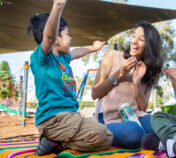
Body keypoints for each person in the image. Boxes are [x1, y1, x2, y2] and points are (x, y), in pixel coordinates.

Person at [27, 0, 113, 156]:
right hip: (53, 119)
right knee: (99, 132)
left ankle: (57, 144)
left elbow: (77, 53)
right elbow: (49, 36)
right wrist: (57, 6)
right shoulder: (42, 59)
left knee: (108, 138)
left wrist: (93, 49)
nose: (71, 38)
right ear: (56, 39)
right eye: (67, 34)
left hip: (69, 117)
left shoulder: (63, 58)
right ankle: (54, 139)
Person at [91, 21, 163, 149]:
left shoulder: (148, 70)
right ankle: (102, 133)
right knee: (134, 133)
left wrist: (136, 83)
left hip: (135, 116)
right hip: (109, 118)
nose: (134, 41)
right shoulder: (113, 56)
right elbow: (95, 93)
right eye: (134, 36)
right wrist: (120, 73)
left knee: (161, 124)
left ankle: (160, 140)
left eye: (141, 39)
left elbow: (143, 107)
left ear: (149, 45)